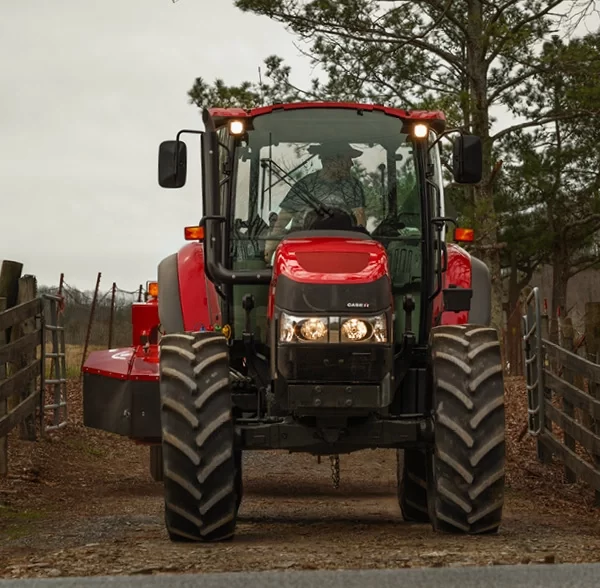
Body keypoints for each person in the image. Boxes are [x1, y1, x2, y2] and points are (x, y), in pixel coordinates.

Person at [263, 144, 366, 261]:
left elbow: (360, 221)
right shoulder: (306, 185)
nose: (351, 164)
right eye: (347, 159)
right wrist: (268, 251)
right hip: (303, 247)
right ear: (331, 161)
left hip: (343, 249)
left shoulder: (352, 185)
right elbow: (282, 221)